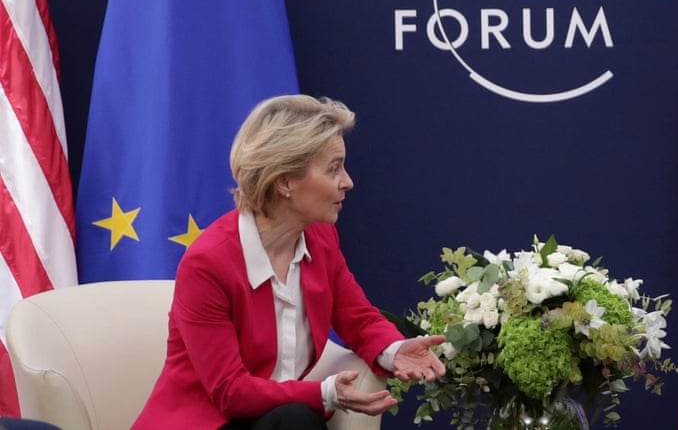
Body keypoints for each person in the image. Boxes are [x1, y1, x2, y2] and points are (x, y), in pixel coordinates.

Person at [133, 95, 446, 429]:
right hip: (208, 423)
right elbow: (230, 391)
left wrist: (394, 350)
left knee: (295, 418)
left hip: (277, 420)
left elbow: (357, 317)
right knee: (297, 418)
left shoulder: (320, 237)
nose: (348, 182)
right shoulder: (207, 264)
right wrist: (326, 393)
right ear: (285, 182)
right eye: (334, 169)